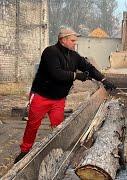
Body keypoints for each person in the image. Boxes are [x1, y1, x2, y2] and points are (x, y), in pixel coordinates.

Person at [14, 28, 116, 163]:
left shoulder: (74, 55)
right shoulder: (50, 52)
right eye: (73, 40)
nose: (75, 43)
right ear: (63, 40)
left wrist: (103, 80)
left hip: (58, 99)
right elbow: (57, 74)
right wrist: (76, 75)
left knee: (58, 127)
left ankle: (54, 153)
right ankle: (25, 151)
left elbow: (89, 68)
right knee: (33, 124)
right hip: (41, 96)